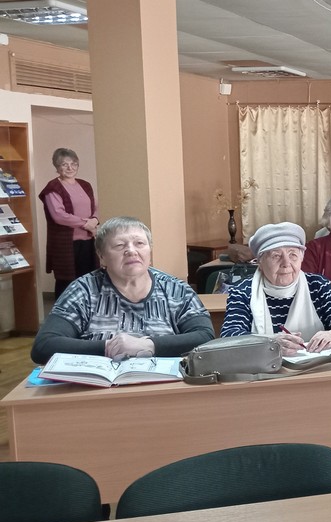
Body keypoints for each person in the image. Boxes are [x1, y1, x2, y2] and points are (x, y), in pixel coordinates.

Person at [30, 216, 213, 363]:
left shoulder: (175, 290)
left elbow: (205, 337)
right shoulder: (84, 290)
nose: (131, 251)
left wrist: (147, 345)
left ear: (150, 251)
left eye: (139, 243)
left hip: (164, 388)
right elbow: (44, 346)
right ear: (101, 256)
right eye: (119, 245)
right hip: (99, 389)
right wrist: (110, 347)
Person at [221, 222, 331, 354]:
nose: (286, 263)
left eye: (293, 255)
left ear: (301, 258)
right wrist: (270, 343)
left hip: (316, 365)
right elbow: (229, 336)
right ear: (260, 263)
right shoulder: (243, 291)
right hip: (263, 368)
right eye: (276, 256)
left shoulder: (317, 285)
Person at [38, 147, 98, 299]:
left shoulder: (85, 185)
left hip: (88, 241)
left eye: (73, 164)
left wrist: (95, 220)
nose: (70, 168)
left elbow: (95, 207)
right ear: (57, 167)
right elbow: (59, 215)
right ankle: (62, 312)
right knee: (66, 282)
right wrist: (85, 223)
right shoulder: (53, 188)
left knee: (88, 279)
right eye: (64, 164)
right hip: (66, 244)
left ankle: (85, 311)